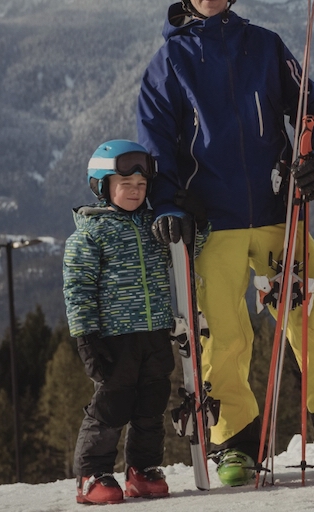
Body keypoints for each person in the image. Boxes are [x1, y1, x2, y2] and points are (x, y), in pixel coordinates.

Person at [136, 0, 314, 485]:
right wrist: (167, 203)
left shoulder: (265, 46)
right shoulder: (170, 61)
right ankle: (235, 443)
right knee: (222, 334)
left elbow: (310, 108)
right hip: (211, 220)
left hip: (275, 210)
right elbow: (156, 143)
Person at [63, 139, 208, 504]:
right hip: (114, 337)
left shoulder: (153, 224)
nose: (134, 191)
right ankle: (92, 474)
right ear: (102, 186)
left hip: (156, 331)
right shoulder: (90, 233)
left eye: (141, 186)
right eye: (125, 185)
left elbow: (187, 250)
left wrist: (198, 222)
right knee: (113, 405)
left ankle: (142, 470)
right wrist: (86, 337)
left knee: (151, 404)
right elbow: (77, 288)